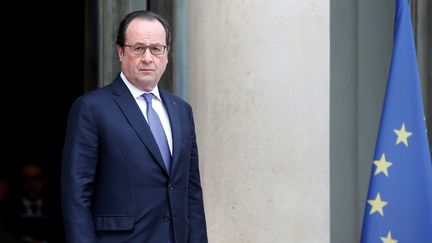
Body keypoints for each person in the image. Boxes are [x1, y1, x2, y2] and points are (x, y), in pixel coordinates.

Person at [61, 10, 208, 243]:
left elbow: (191, 192)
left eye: (157, 49)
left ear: (167, 53)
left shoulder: (181, 110)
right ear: (121, 52)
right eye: (138, 48)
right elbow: (76, 196)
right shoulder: (91, 108)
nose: (148, 58)